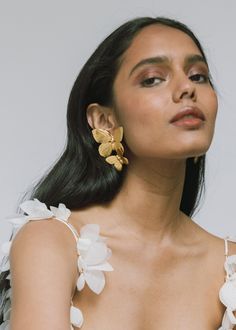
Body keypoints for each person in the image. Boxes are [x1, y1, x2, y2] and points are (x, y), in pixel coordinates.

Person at [0, 16, 236, 330]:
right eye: (153, 78)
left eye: (198, 76)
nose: (186, 89)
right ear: (104, 120)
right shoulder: (52, 241)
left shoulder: (228, 268)